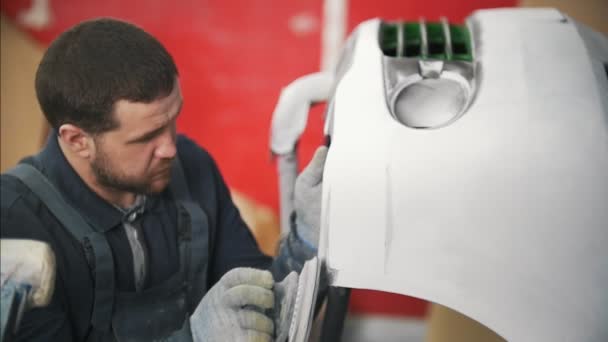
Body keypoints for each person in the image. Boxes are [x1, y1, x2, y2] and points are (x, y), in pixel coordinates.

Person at [0, 18, 327, 341]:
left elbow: (261, 306)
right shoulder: (16, 223)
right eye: (146, 138)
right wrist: (194, 338)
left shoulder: (191, 167)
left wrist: (306, 243)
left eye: (172, 120)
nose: (170, 148)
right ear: (76, 140)